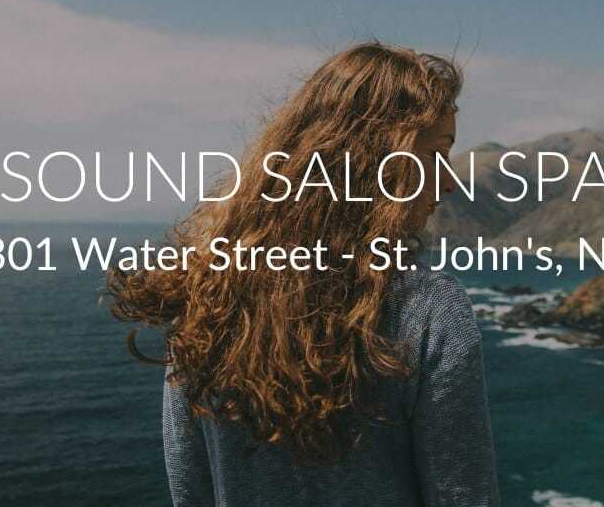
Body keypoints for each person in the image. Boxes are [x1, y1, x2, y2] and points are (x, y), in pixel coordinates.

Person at [106, 41, 499, 506]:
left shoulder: (204, 293)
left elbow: (190, 491)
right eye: (436, 152)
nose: (448, 179)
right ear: (375, 161)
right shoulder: (429, 311)